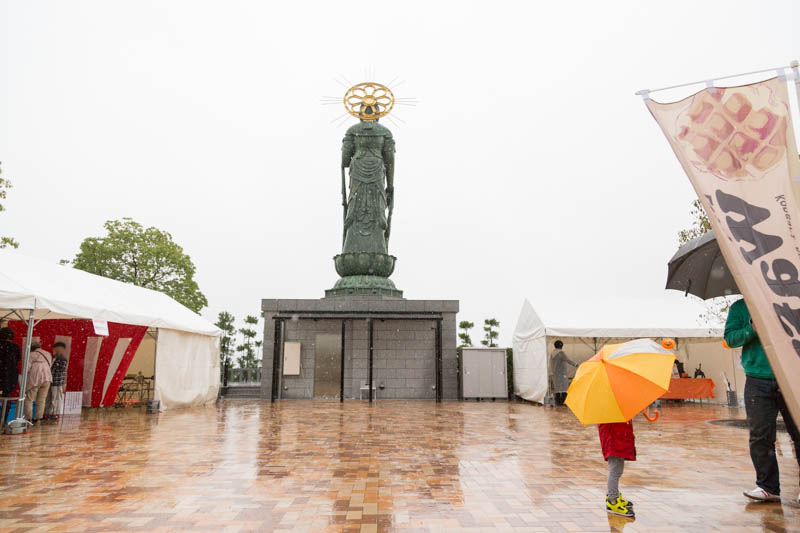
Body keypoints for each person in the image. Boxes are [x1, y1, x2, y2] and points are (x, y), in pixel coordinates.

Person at [724, 298, 800, 504]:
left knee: (798, 432)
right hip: (757, 380)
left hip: (792, 376)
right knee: (760, 436)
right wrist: (752, 328)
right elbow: (730, 339)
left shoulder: (791, 300)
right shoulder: (740, 307)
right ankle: (768, 487)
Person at [598, 420, 636, 517]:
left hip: (618, 439)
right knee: (614, 471)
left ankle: (614, 494)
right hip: (613, 441)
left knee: (618, 471)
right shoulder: (608, 414)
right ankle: (613, 500)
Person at [25, 341, 52, 423]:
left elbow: (27, 368)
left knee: (29, 399)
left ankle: (28, 418)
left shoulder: (31, 355)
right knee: (41, 399)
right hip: (47, 378)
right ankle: (38, 418)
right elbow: (50, 365)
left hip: (35, 379)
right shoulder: (48, 354)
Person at [45, 342, 68, 420]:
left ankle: (55, 414)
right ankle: (47, 413)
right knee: (49, 398)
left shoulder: (62, 358)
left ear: (61, 348)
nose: (54, 350)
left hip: (57, 382)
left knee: (56, 398)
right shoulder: (53, 357)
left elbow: (60, 370)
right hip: (50, 381)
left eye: (56, 348)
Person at [551, 340, 577, 405]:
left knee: (557, 389)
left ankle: (558, 402)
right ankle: (563, 402)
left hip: (556, 373)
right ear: (561, 346)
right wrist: (576, 364)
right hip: (562, 374)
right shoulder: (561, 353)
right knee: (564, 389)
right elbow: (567, 360)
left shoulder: (552, 353)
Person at [0, 327, 21, 398]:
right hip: (10, 375)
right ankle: (6, 405)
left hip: (2, 372)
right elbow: (18, 359)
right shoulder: (15, 347)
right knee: (7, 395)